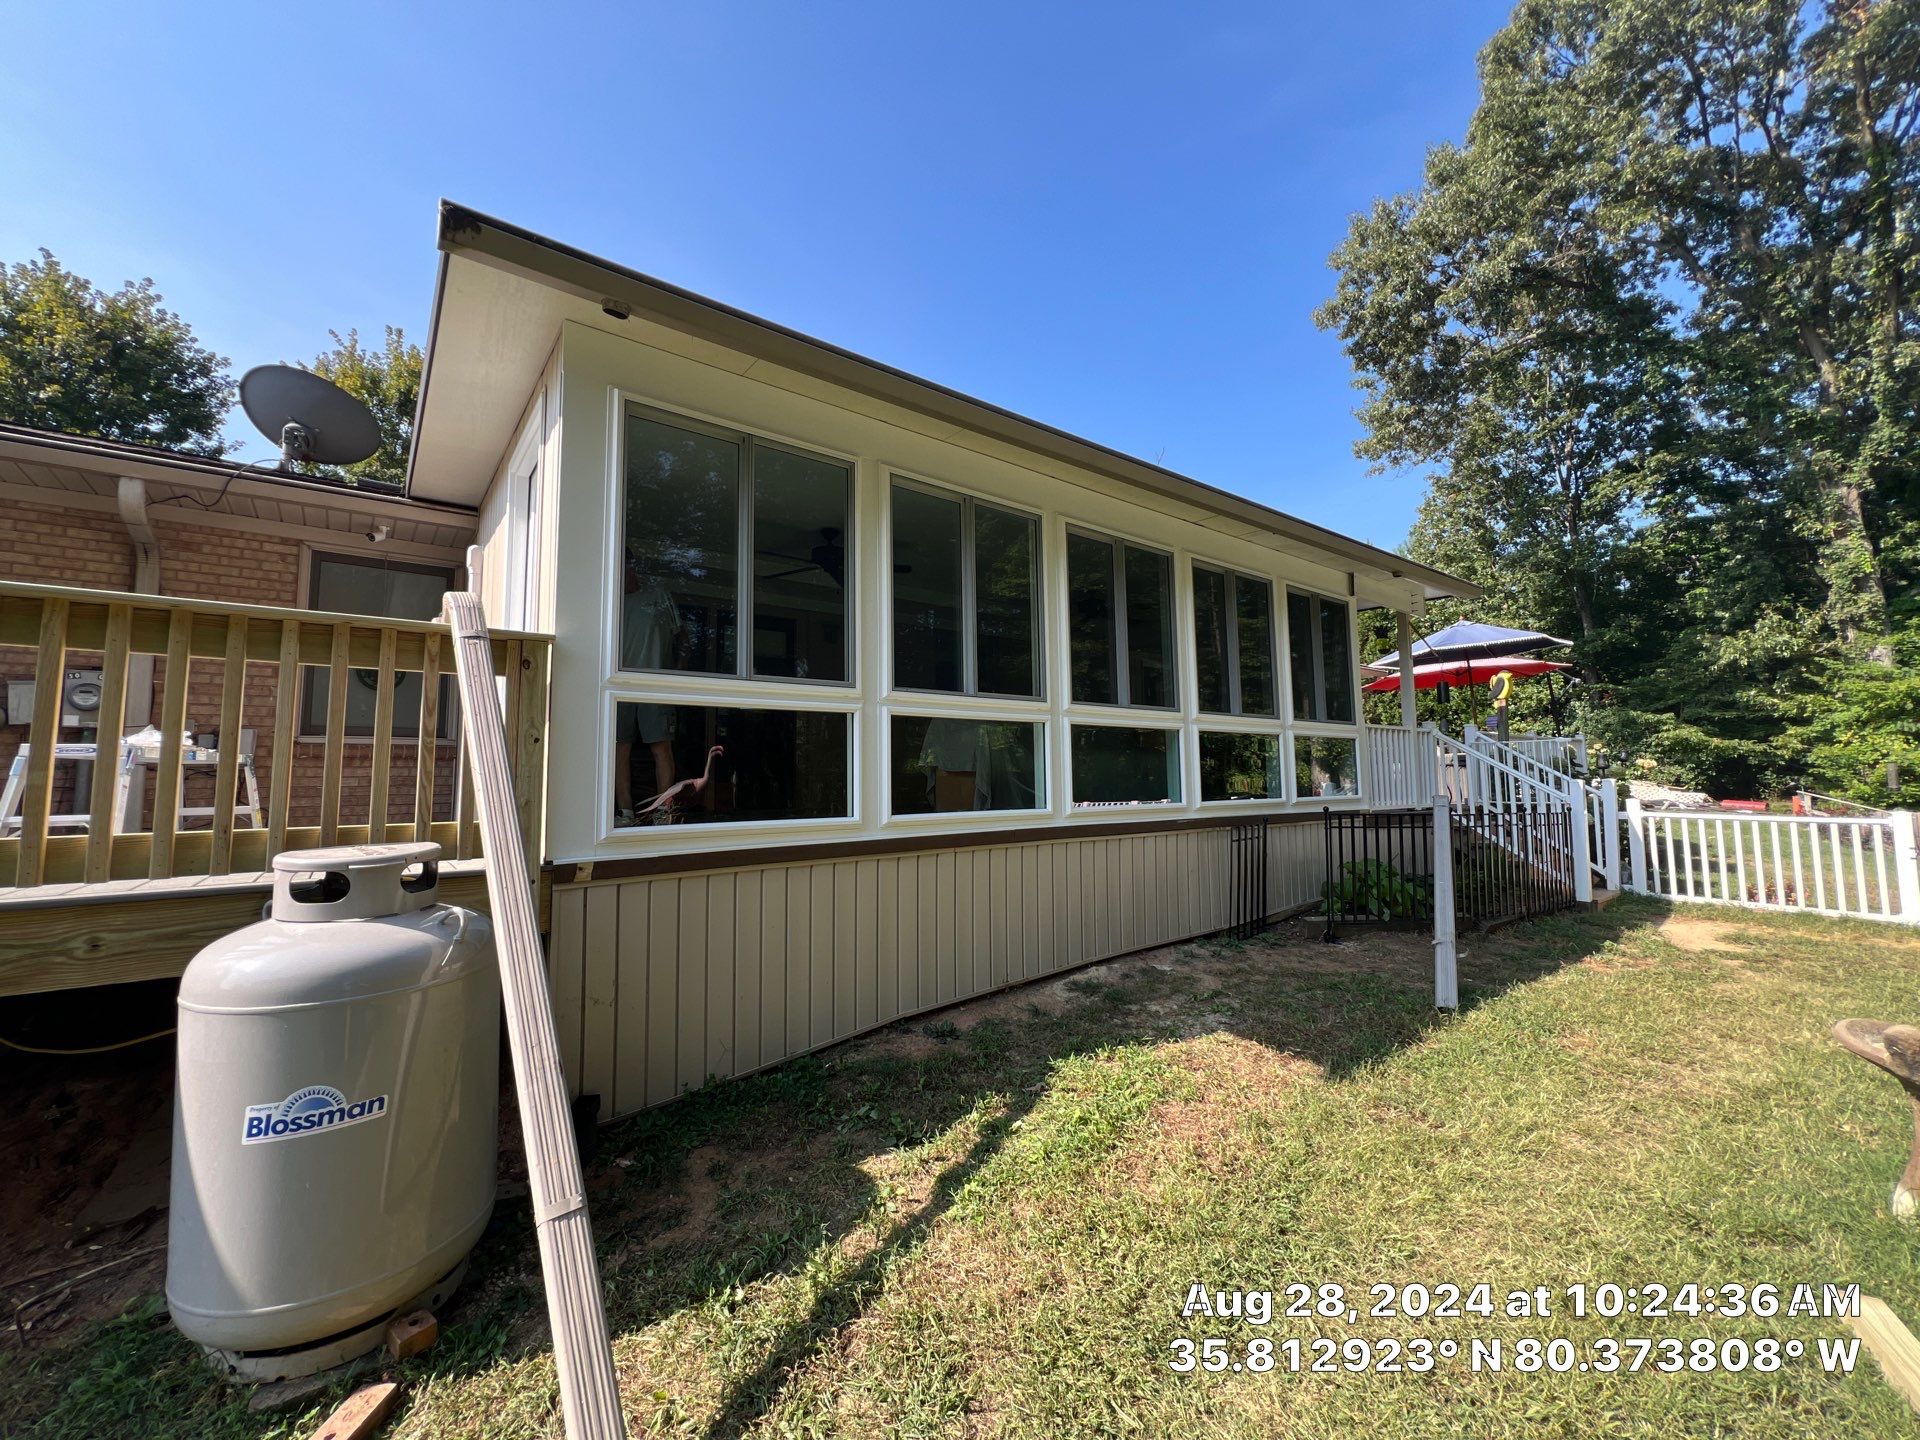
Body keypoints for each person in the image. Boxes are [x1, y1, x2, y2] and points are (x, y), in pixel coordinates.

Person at [615, 545, 682, 825]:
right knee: (619, 748)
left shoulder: (657, 596)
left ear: (632, 565)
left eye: (626, 565)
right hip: (617, 684)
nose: (623, 572)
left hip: (656, 683)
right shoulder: (610, 597)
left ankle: (664, 812)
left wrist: (677, 678)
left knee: (661, 747)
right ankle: (626, 812)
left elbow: (683, 638)